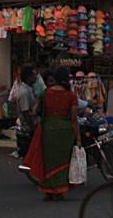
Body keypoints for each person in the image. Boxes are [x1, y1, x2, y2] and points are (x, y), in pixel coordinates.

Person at [23, 68, 80, 200]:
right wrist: (78, 138)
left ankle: (48, 191)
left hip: (48, 130)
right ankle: (59, 191)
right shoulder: (71, 95)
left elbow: (35, 111)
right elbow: (74, 119)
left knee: (48, 161)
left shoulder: (45, 93)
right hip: (65, 131)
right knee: (62, 161)